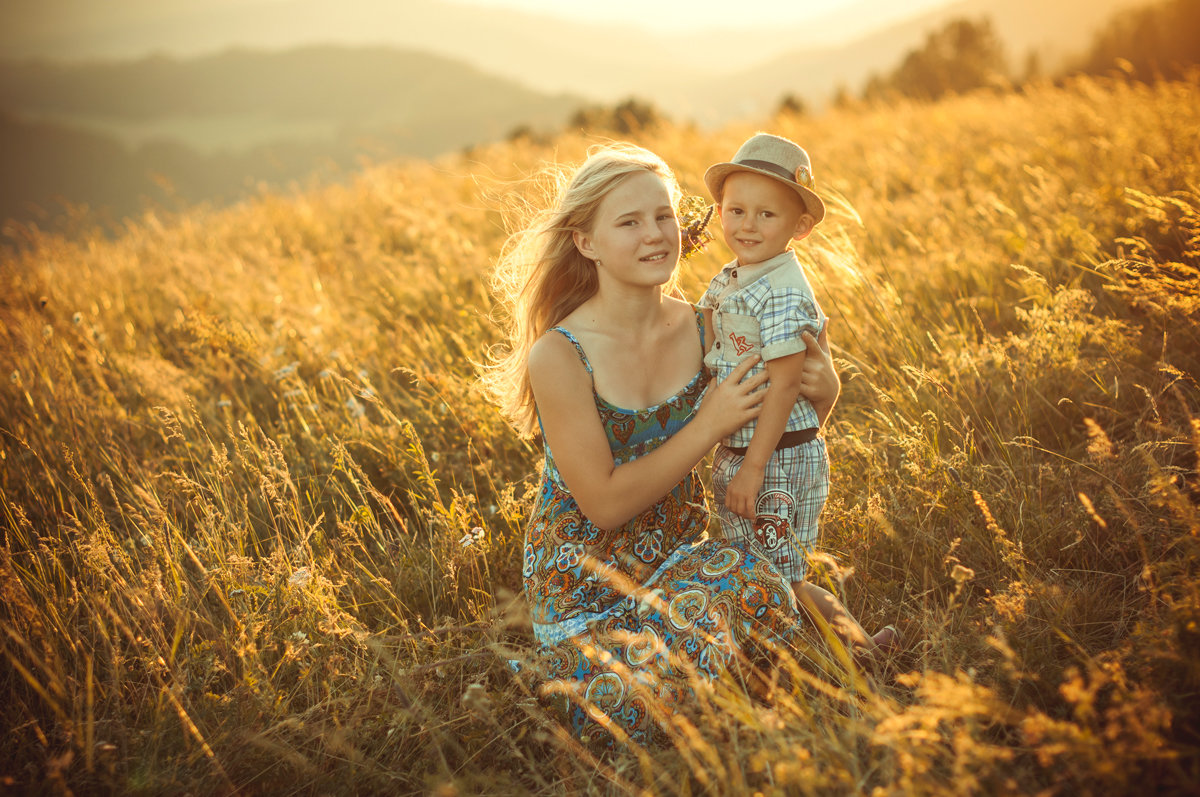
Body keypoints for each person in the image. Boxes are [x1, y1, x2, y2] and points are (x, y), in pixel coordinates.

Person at [483, 143, 841, 746]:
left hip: (682, 561)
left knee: (760, 574)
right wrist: (706, 424)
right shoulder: (561, 354)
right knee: (630, 699)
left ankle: (827, 665)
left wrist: (825, 392)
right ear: (586, 241)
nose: (656, 235)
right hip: (587, 594)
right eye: (629, 222)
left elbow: (777, 418)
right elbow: (603, 503)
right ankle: (738, 671)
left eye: (665, 216)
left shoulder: (706, 324)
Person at [697, 132, 897, 655]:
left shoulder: (784, 288)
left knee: (781, 574)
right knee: (749, 566)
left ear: (799, 227)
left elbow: (786, 382)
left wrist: (754, 467)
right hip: (744, 449)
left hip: (778, 456)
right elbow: (701, 329)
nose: (747, 225)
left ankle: (861, 651)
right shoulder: (734, 275)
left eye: (767, 215)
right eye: (736, 210)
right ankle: (784, 652)